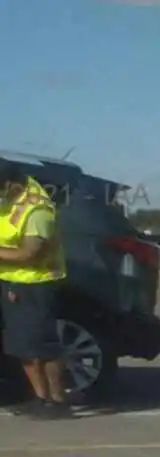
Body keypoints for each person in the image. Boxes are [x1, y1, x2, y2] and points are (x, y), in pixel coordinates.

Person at [0, 160, 72, 420]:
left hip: (36, 284)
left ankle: (58, 401)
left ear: (11, 183)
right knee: (23, 346)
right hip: (12, 282)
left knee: (43, 345)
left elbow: (30, 254)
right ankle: (40, 398)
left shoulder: (37, 209)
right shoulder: (9, 201)